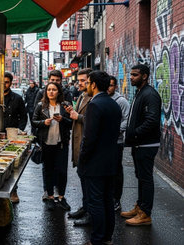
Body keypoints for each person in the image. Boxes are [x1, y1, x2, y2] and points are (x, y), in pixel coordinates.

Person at [78, 71, 121, 245]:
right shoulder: (113, 104)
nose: (87, 85)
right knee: (107, 200)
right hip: (111, 162)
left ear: (94, 84)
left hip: (95, 163)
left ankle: (97, 239)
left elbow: (89, 138)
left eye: (88, 82)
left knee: (95, 202)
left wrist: (82, 160)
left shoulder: (94, 105)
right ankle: (107, 237)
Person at [121, 64, 161, 226]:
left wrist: (135, 132)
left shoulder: (150, 94)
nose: (131, 77)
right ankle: (140, 207)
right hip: (139, 144)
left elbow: (152, 120)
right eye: (130, 74)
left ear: (144, 76)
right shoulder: (140, 92)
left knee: (145, 178)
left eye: (135, 75)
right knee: (140, 177)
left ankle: (145, 213)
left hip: (146, 144)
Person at [32, 82, 72, 211]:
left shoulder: (65, 106)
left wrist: (63, 120)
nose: (51, 92)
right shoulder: (41, 106)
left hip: (61, 144)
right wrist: (44, 122)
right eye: (49, 89)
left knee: (62, 172)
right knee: (48, 170)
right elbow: (34, 121)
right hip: (46, 143)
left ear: (58, 92)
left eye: (54, 89)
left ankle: (61, 197)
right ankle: (50, 197)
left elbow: (72, 123)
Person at [65, 68, 93, 226]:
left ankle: (90, 214)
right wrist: (73, 112)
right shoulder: (82, 95)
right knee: (83, 178)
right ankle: (85, 207)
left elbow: (93, 121)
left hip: (86, 144)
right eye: (79, 80)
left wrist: (78, 116)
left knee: (89, 181)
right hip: (78, 143)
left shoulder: (93, 98)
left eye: (84, 81)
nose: (80, 83)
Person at [4, 72, 27, 204]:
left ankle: (13, 190)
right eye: (2, 82)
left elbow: (24, 117)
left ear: (11, 83)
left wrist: (20, 130)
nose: (4, 84)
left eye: (6, 82)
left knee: (13, 166)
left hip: (12, 135)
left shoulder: (17, 99)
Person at [108, 76, 130, 212]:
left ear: (116, 86)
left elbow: (127, 120)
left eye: (111, 85)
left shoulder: (121, 101)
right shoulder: (101, 99)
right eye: (107, 85)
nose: (108, 88)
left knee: (116, 170)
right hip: (103, 143)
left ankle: (116, 199)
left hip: (116, 142)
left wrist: (114, 130)